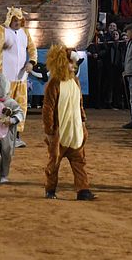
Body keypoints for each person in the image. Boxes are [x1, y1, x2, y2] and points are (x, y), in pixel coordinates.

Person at [42, 44, 94, 201]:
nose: (74, 66)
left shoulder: (75, 82)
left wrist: (83, 124)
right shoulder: (54, 84)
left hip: (75, 131)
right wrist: (50, 131)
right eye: (70, 63)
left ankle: (83, 190)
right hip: (59, 134)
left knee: (79, 162)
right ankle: (50, 189)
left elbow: (79, 105)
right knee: (54, 163)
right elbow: (48, 109)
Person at [0, 7, 37, 147]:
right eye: (15, 20)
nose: (18, 22)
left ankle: (16, 137)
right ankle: (2, 136)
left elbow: (32, 48)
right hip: (6, 79)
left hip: (21, 78)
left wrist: (31, 62)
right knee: (4, 108)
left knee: (20, 108)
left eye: (20, 20)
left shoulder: (25, 32)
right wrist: (4, 43)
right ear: (10, 19)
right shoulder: (1, 30)